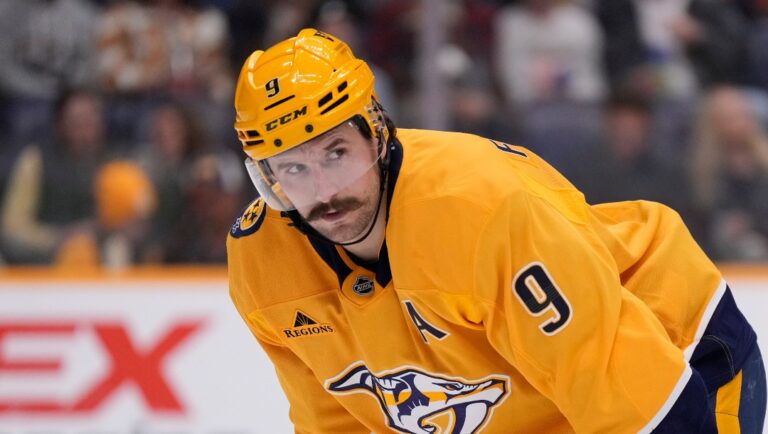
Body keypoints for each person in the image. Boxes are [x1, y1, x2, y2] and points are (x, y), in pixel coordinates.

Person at [227, 29, 766, 433]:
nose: (323, 192)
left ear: (377, 134)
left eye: (336, 153)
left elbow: (616, 385)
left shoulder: (480, 208)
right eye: (293, 168)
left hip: (672, 355)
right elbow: (337, 421)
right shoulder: (262, 261)